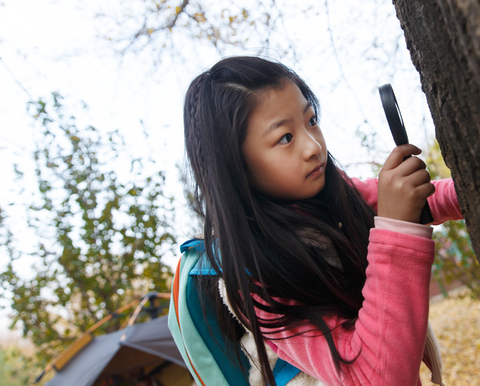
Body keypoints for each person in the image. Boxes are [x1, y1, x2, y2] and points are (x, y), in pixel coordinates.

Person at [183, 56, 463, 386]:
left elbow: (428, 200)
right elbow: (376, 379)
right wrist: (396, 228)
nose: (314, 146)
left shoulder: (337, 194)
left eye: (311, 120)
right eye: (285, 138)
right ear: (236, 168)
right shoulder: (254, 281)